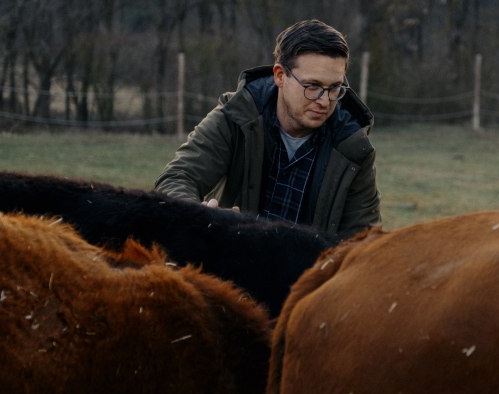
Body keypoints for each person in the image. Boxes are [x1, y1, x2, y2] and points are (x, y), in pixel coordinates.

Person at [154, 19, 381, 239]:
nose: (324, 100)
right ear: (280, 76)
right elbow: (175, 179)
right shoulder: (237, 115)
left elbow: (364, 240)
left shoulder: (353, 148)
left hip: (311, 274)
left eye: (334, 88)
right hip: (231, 261)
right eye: (312, 86)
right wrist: (205, 219)